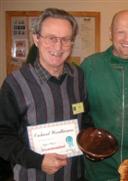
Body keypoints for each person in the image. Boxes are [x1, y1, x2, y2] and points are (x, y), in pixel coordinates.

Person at [0, 8, 89, 181]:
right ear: (36, 39)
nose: (58, 46)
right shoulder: (15, 83)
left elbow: (84, 119)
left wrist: (90, 141)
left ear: (72, 42)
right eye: (51, 38)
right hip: (32, 176)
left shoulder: (78, 76)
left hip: (75, 175)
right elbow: (3, 136)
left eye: (65, 39)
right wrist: (38, 161)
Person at [80, 10, 128, 181]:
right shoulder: (90, 66)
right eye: (120, 32)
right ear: (110, 33)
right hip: (99, 167)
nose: (127, 39)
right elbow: (77, 111)